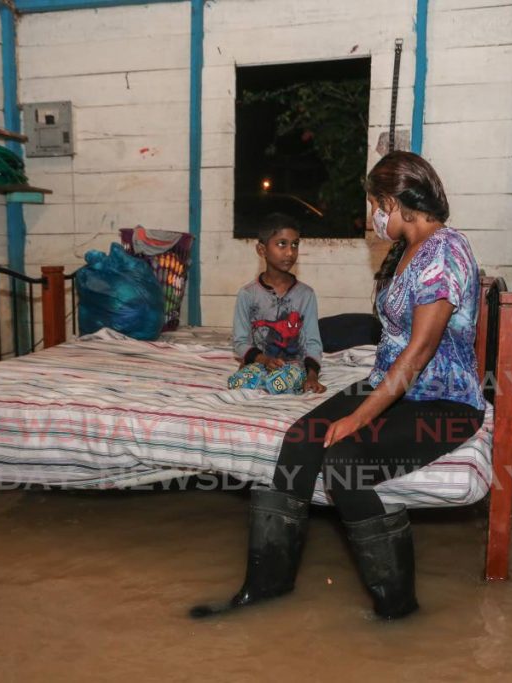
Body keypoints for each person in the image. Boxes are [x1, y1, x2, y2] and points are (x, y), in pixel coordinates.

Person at [193, 151, 486, 620]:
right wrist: (363, 403)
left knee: (346, 460)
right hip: (389, 386)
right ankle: (267, 584)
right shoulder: (405, 250)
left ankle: (397, 608)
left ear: (393, 201)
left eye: (375, 204)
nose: (373, 216)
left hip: (440, 400)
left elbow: (421, 350)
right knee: (301, 438)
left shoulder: (446, 250)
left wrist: (360, 416)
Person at [228, 213, 326, 395]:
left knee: (280, 383)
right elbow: (240, 341)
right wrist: (262, 360)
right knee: (237, 382)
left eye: (295, 244)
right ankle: (260, 380)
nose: (290, 252)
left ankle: (274, 383)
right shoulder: (248, 294)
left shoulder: (306, 294)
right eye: (282, 244)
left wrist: (312, 376)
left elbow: (313, 343)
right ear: (262, 250)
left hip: (292, 367)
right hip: (260, 362)